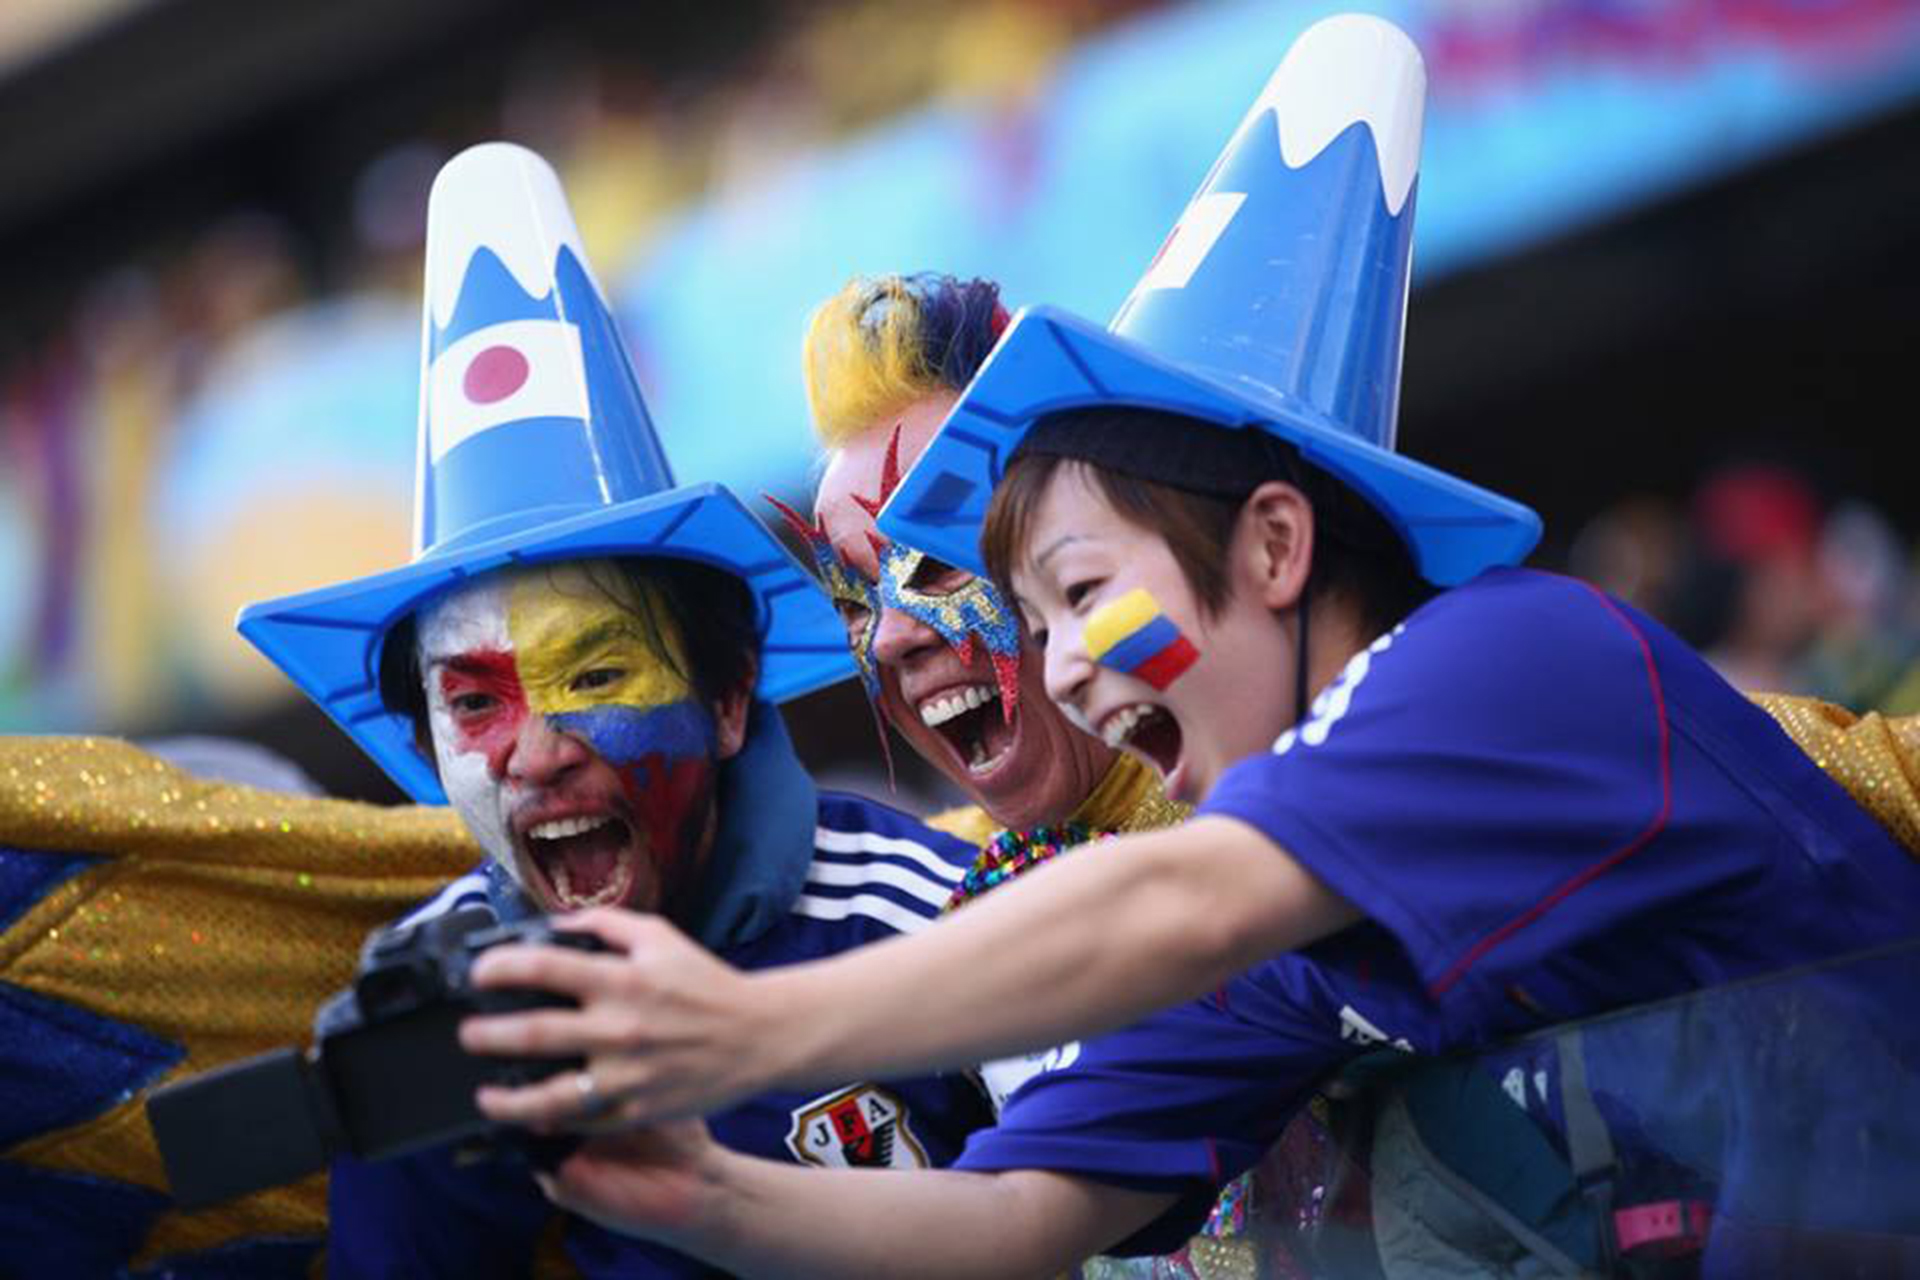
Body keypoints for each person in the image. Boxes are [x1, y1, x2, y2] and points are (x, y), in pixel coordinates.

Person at [457, 17, 1920, 1277]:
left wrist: (739, 1032)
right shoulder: (1290, 938)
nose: (1068, 662)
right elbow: (1019, 1216)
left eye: (1085, 591)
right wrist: (701, 1194)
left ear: (1279, 546)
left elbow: (1186, 902)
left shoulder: (1503, 665)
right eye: (1032, 618)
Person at [238, 142, 991, 1278]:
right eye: (475, 702)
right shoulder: (436, 1012)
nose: (537, 753)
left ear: (730, 697)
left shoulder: (932, 918)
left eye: (594, 678)